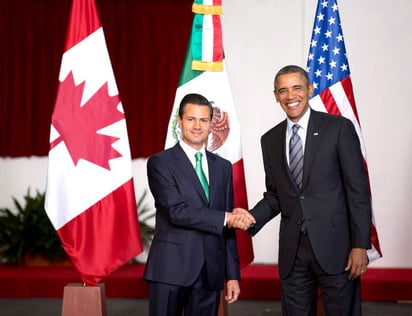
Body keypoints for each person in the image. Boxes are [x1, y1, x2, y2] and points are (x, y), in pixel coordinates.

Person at [234, 65, 372, 315]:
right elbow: (276, 195)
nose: (290, 96)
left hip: (337, 250)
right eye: (283, 90)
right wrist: (252, 217)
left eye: (297, 87)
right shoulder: (270, 139)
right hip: (293, 252)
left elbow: (358, 191)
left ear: (309, 89)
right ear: (275, 95)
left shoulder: (338, 128)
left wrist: (360, 245)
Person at [144, 93, 255, 316]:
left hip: (210, 273)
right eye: (191, 119)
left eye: (204, 120)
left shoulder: (223, 167)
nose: (197, 126)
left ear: (211, 124)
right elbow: (176, 211)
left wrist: (232, 274)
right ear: (180, 121)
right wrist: (226, 217)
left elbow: (228, 229)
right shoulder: (160, 163)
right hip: (170, 270)